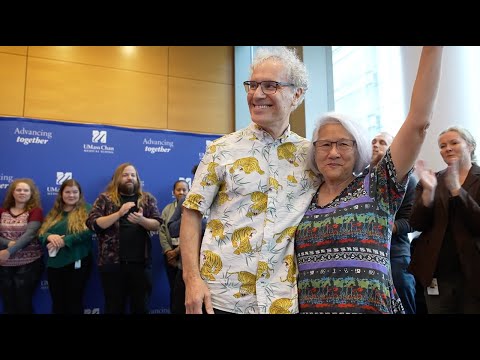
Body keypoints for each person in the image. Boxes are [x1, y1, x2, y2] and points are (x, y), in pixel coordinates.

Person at [294, 46, 443, 314]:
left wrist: (432, 50)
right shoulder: (303, 196)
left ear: (359, 149)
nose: (334, 152)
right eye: (325, 144)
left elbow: (418, 123)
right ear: (314, 151)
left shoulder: (376, 186)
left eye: (343, 144)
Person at [180, 46, 321, 314]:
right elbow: (191, 213)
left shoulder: (311, 156)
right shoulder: (221, 150)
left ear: (297, 94)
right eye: (253, 84)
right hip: (221, 299)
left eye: (270, 86)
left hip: (282, 302)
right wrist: (192, 280)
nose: (257, 95)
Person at [408, 126, 480, 313]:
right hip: (437, 272)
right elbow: (416, 223)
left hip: (474, 272)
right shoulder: (432, 180)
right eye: (442, 146)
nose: (447, 148)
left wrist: (457, 190)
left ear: (471, 146)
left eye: (454, 143)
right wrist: (428, 195)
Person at [86, 162, 162, 314]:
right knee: (114, 307)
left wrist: (142, 220)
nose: (129, 178)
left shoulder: (146, 199)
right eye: (125, 175)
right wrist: (119, 214)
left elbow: (157, 224)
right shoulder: (105, 199)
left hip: (140, 264)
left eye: (133, 175)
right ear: (117, 178)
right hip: (112, 264)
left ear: (137, 179)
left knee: (141, 308)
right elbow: (93, 223)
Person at [371, 131, 417, 314]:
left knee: (404, 301)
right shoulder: (361, 179)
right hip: (368, 253)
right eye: (373, 141)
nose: (375, 145)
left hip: (395, 254)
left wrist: (382, 226)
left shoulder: (407, 180)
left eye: (382, 142)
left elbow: (411, 221)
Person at [38, 179, 94, 314]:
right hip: (55, 264)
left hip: (77, 260)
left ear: (79, 194)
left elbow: (88, 231)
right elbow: (41, 233)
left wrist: (65, 240)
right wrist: (49, 237)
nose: (71, 195)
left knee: (74, 302)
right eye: (67, 192)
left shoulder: (87, 209)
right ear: (61, 194)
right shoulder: (55, 212)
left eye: (75, 192)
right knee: (58, 303)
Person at [0, 178, 44, 314]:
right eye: (18, 190)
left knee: (23, 301)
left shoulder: (35, 211)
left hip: (29, 263)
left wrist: (9, 250)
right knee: (8, 302)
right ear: (12, 193)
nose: (22, 192)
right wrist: (8, 244)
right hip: (4, 263)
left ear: (31, 193)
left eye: (26, 190)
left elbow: (30, 235)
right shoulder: (2, 211)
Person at [167, 164, 207, 314]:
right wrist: (189, 216)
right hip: (186, 269)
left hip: (213, 271)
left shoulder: (225, 200)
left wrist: (197, 221)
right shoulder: (186, 201)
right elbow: (172, 230)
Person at [159, 179, 189, 312]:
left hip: (186, 256)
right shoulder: (167, 209)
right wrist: (168, 252)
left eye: (184, 190)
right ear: (174, 192)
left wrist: (178, 251)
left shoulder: (192, 208)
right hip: (170, 256)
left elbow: (193, 234)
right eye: (178, 190)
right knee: (174, 290)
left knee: (186, 291)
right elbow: (162, 231)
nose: (181, 192)